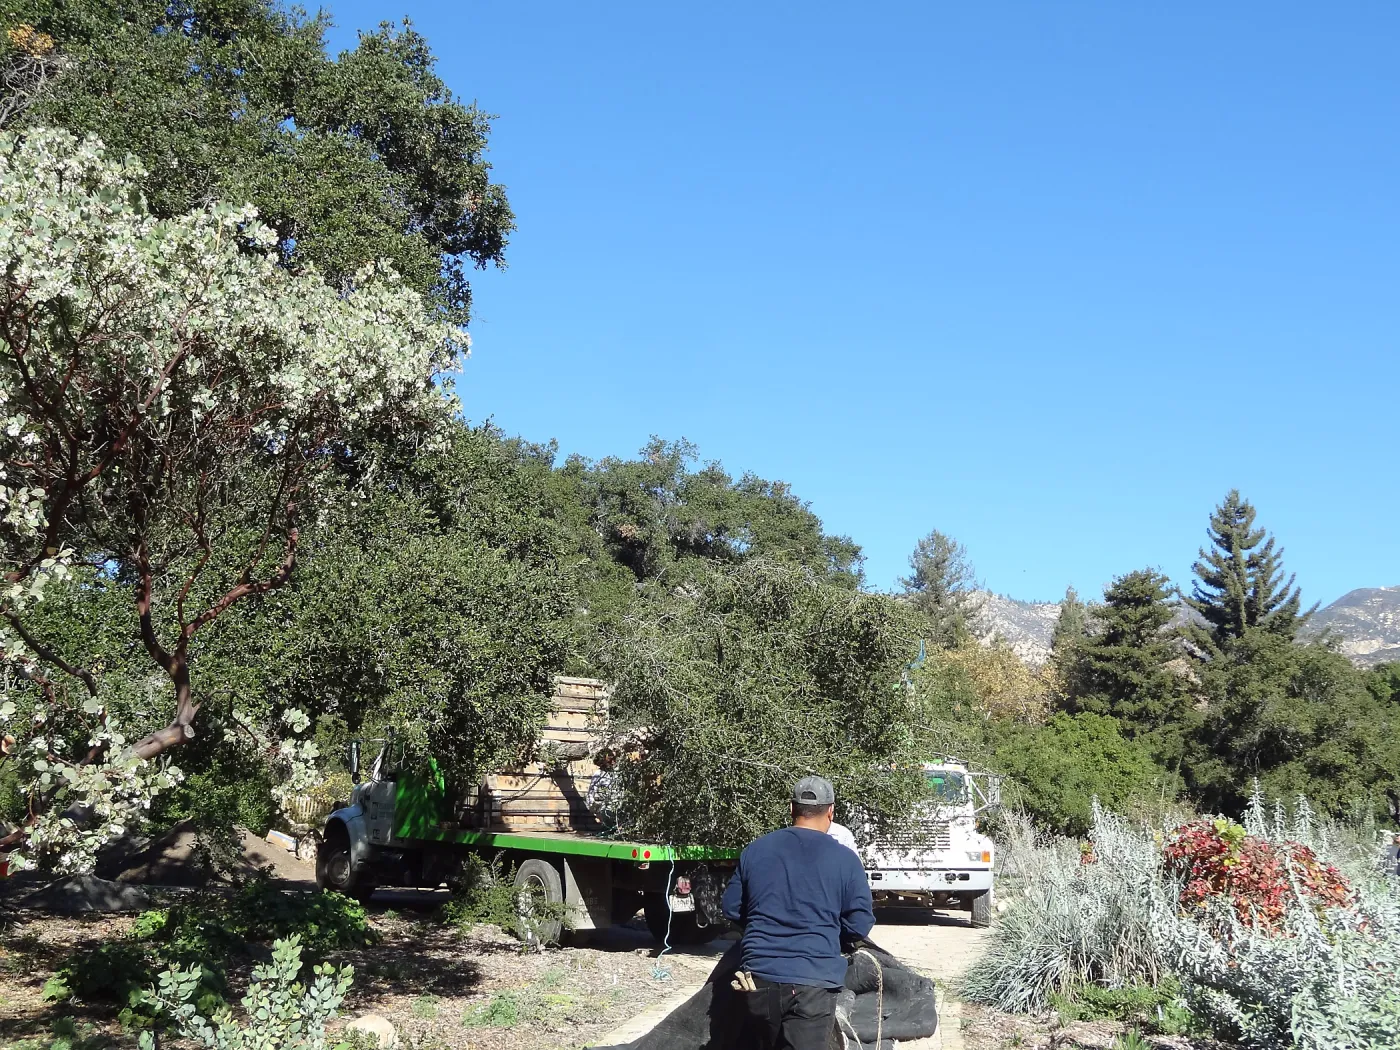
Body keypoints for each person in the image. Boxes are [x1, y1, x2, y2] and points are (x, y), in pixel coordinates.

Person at [721, 776, 875, 1050]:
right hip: (814, 983)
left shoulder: (756, 850)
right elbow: (859, 924)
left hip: (758, 978)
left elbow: (731, 908)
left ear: (792, 810)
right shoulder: (845, 860)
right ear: (831, 811)